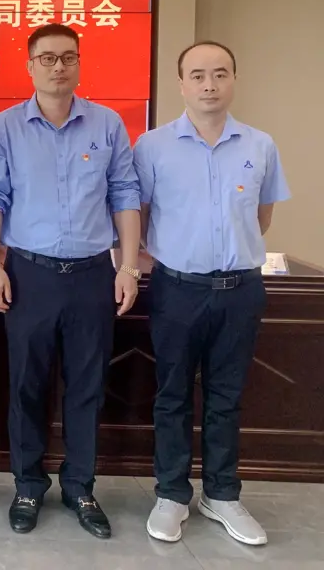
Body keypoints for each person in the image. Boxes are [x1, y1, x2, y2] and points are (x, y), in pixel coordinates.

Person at [0, 23, 141, 539]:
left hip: (92, 275)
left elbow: (124, 193)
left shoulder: (107, 123)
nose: (58, 66)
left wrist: (128, 267)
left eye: (67, 57)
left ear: (79, 64)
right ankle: (28, 485)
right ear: (29, 67)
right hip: (29, 274)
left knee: (87, 387)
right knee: (27, 385)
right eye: (46, 58)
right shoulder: (6, 126)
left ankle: (79, 487)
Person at [135, 41, 289, 547]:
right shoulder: (152, 146)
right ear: (181, 83)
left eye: (220, 74)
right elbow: (140, 217)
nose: (209, 84)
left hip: (241, 289)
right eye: (198, 75)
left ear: (233, 80)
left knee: (226, 397)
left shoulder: (260, 145)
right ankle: (172, 494)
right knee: (173, 395)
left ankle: (221, 494)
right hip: (177, 290)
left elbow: (262, 217)